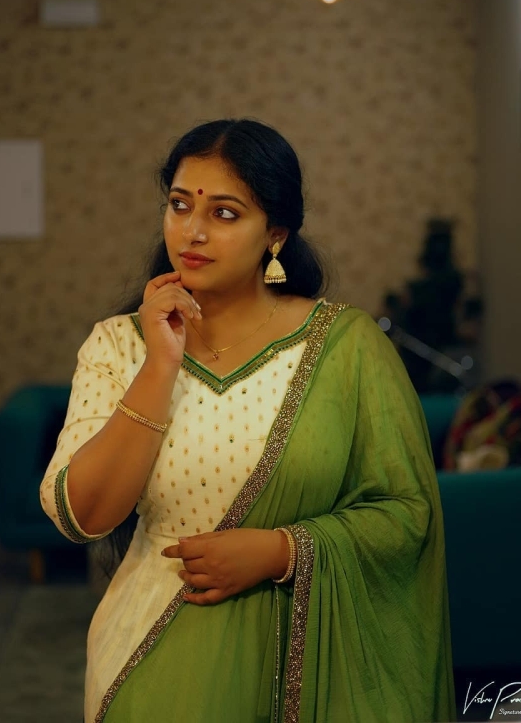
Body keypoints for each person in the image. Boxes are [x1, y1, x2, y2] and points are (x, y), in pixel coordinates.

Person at [40, 118, 456, 723]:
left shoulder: (346, 346)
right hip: (153, 659)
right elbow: (83, 516)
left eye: (225, 213)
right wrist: (160, 365)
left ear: (275, 235)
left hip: (313, 663)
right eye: (179, 205)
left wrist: (281, 551)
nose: (193, 230)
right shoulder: (117, 346)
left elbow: (407, 513)